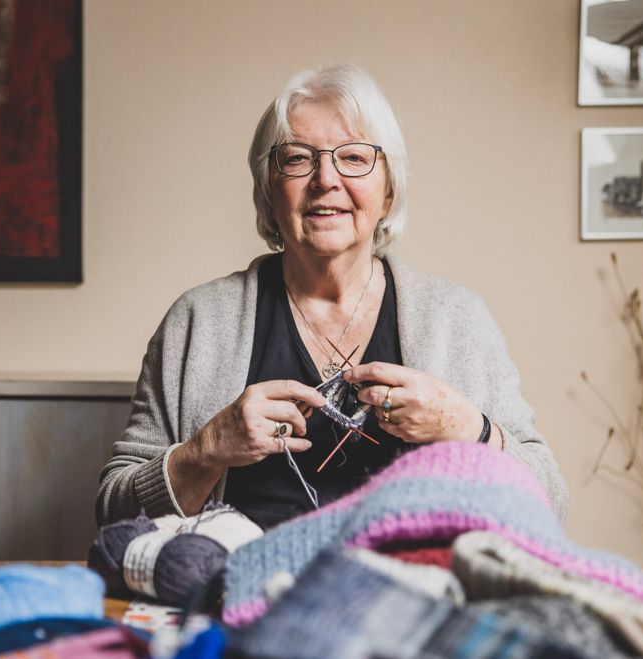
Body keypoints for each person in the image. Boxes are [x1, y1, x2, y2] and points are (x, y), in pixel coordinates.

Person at [96, 65, 568, 530]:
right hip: (238, 592)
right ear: (268, 192)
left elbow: (549, 503)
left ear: (387, 192)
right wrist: (207, 448)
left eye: (355, 158)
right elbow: (113, 512)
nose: (326, 179)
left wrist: (470, 430)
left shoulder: (458, 320)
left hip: (410, 595)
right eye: (298, 158)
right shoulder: (197, 321)